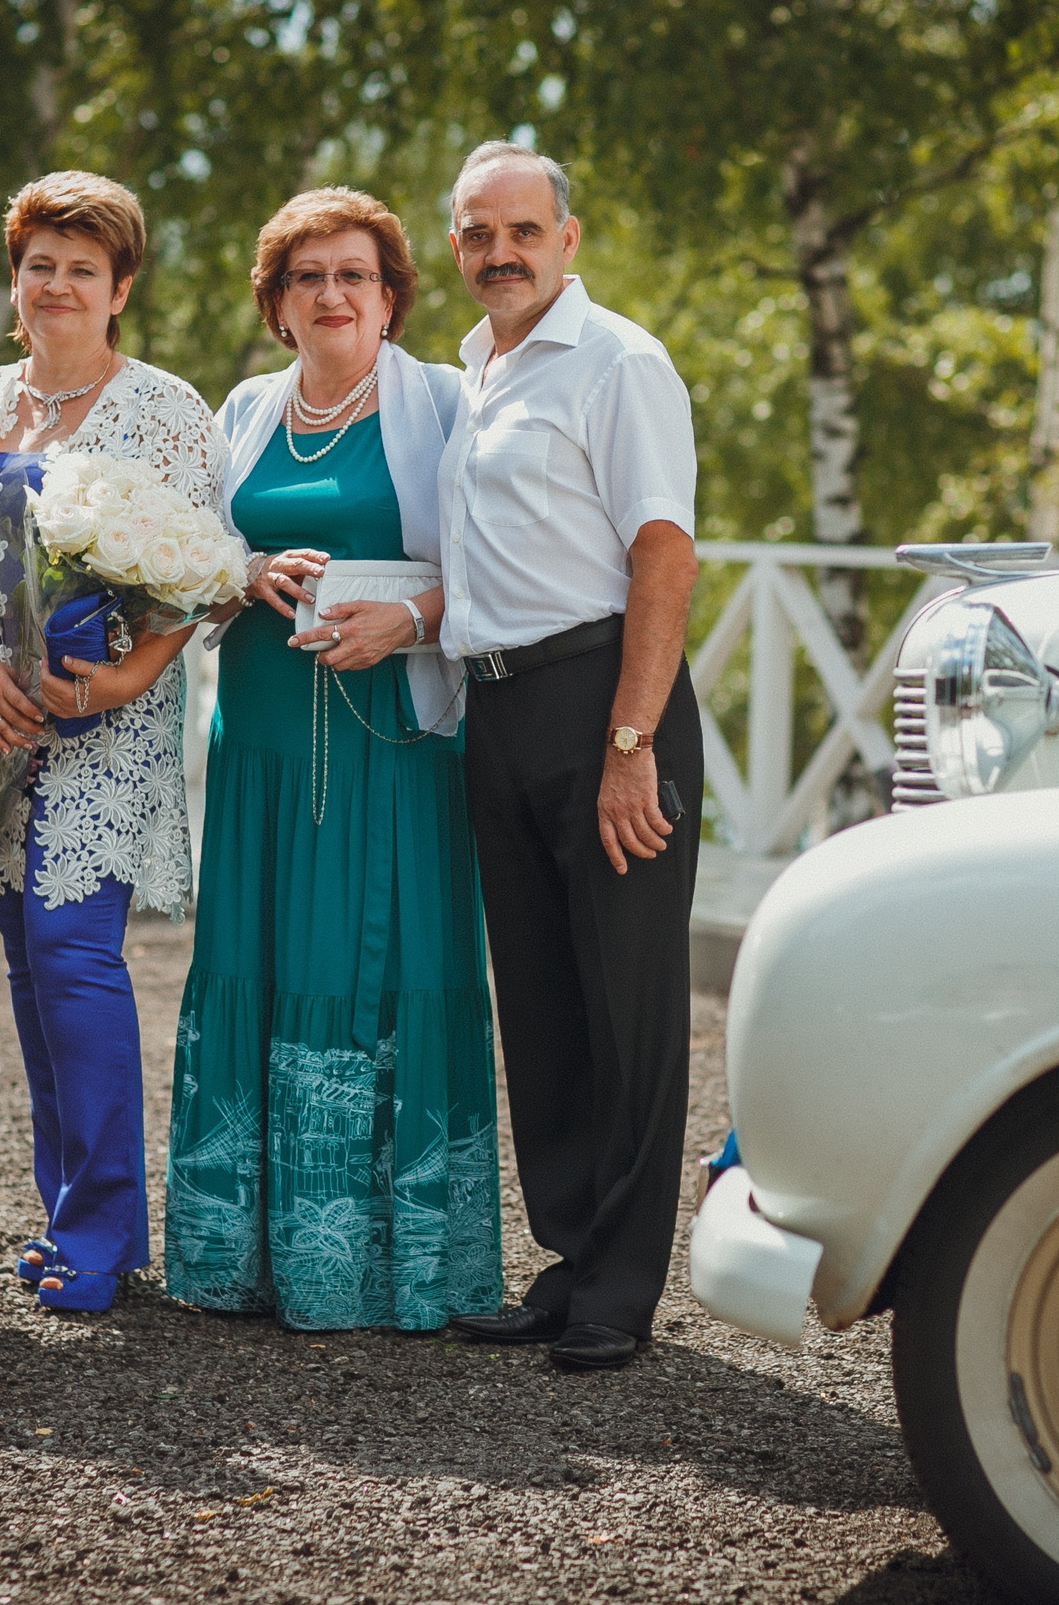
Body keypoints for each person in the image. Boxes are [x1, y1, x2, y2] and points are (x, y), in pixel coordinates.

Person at [164, 187, 503, 1332]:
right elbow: (192, 559)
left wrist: (405, 624)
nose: (331, 294)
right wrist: (240, 572)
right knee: (256, 962)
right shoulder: (247, 410)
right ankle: (239, 1258)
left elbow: (509, 572)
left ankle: (390, 1269)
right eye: (306, 276)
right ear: (275, 302)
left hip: (392, 746)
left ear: (393, 295)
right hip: (259, 739)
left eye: (353, 273)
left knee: (383, 964)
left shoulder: (445, 407)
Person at [0, 171, 216, 1313]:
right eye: (41, 265)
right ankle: (67, 1210)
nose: (59, 285)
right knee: (29, 964)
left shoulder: (167, 410)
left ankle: (103, 1231)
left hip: (104, 730)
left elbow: (198, 577)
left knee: (77, 960)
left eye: (84, 268)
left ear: (120, 287)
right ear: (15, 280)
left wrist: (118, 680)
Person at [436, 143, 702, 1371]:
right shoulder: (473, 370)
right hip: (496, 712)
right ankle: (568, 1255)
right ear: (456, 247)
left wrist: (631, 744)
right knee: (540, 1004)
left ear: (568, 238)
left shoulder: (620, 363)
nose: (502, 252)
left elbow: (663, 555)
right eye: (478, 233)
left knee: (627, 1006)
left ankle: (624, 1289)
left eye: (523, 231)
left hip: (607, 704)